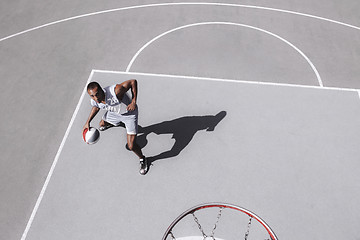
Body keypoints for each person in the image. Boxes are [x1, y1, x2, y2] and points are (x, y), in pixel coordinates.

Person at [82, 79, 148, 175]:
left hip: (129, 115)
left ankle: (142, 159)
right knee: (101, 124)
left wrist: (133, 101)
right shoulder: (95, 100)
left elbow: (133, 82)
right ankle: (118, 123)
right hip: (115, 113)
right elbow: (96, 107)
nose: (95, 98)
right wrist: (88, 121)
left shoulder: (116, 91)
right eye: (92, 96)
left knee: (131, 146)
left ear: (101, 90)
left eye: (97, 94)